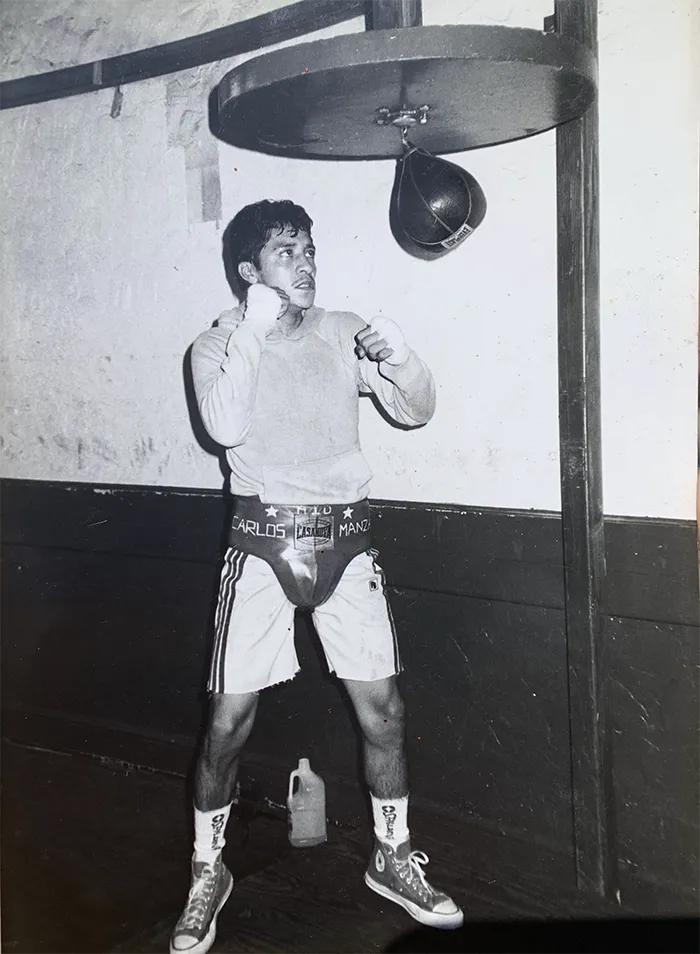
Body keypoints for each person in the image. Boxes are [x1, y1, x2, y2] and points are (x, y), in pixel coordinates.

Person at [171, 199, 462, 954]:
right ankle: (208, 872)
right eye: (285, 252)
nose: (305, 263)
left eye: (308, 249)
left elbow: (418, 408)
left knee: (386, 712)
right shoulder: (214, 346)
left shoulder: (339, 329)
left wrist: (398, 355)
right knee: (228, 723)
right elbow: (225, 428)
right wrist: (253, 329)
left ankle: (393, 856)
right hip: (262, 546)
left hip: (348, 542)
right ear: (248, 271)